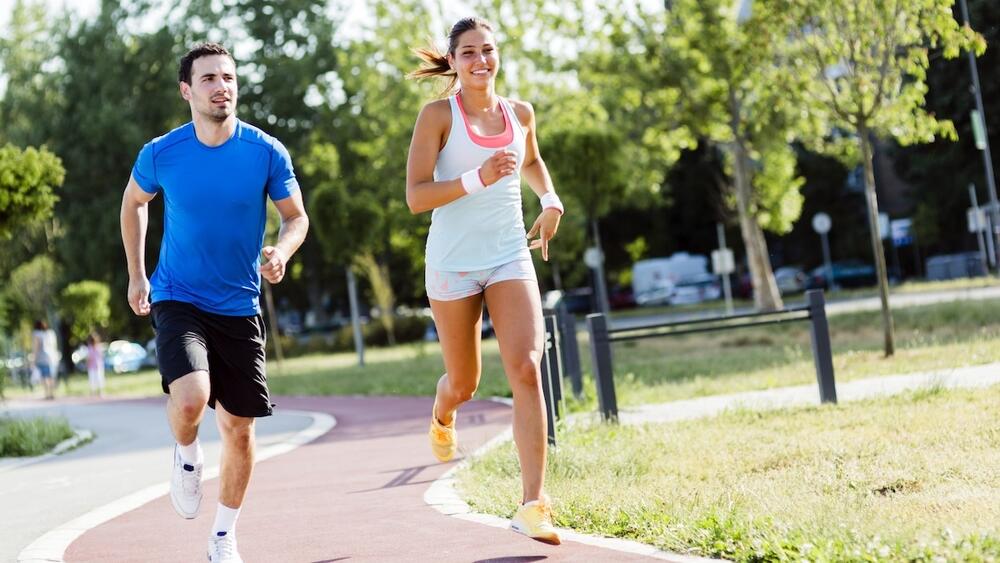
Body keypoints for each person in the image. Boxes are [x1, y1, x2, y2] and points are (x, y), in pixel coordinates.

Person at [120, 42, 309, 563]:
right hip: (178, 294)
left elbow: (296, 216)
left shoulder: (265, 151)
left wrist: (282, 251)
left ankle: (223, 536)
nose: (221, 86)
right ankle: (185, 455)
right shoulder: (162, 152)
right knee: (190, 398)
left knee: (240, 430)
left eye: (227, 77)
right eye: (208, 79)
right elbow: (135, 201)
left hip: (240, 304)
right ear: (187, 90)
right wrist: (138, 273)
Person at [405, 16, 565, 545]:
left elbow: (533, 161)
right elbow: (416, 197)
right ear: (452, 62)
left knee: (526, 367)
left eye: (488, 51)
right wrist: (479, 176)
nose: (480, 61)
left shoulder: (520, 113)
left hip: (507, 256)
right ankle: (442, 410)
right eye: (468, 52)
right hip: (451, 263)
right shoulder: (436, 117)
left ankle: (533, 505)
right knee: (465, 383)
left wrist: (550, 198)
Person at [31, 319, 59, 400]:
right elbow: (54, 345)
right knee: (51, 376)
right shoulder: (51, 333)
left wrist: (33, 359)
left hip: (42, 357)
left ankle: (47, 394)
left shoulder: (36, 334)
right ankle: (52, 393)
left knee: (45, 376)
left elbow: (36, 348)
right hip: (52, 357)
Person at [85, 333, 105, 397]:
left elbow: (100, 356)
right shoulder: (90, 348)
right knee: (93, 379)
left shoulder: (98, 347)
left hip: (97, 366)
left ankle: (99, 391)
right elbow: (89, 358)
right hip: (93, 366)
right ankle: (94, 392)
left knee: (98, 378)